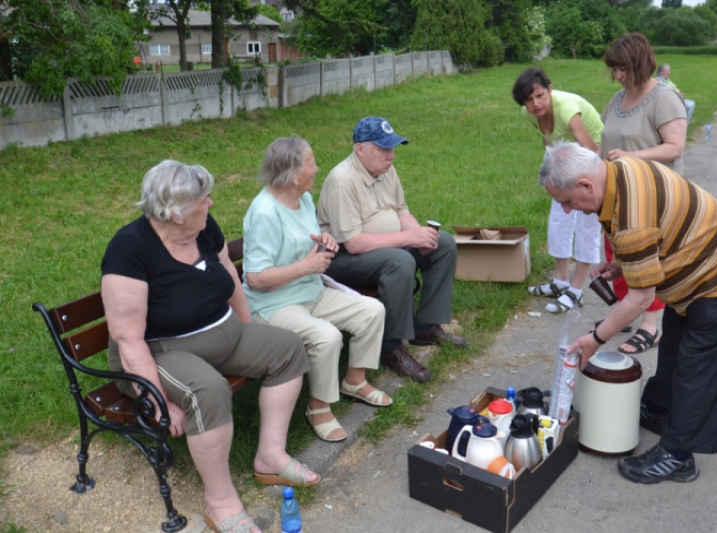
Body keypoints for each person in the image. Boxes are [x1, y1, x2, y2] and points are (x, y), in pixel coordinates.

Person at [101, 160, 320, 533]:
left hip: (222, 335)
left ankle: (270, 455)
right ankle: (219, 502)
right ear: (177, 212)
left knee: (286, 347)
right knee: (208, 390)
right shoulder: (130, 249)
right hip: (159, 352)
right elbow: (127, 338)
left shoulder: (202, 228)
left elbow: (229, 276)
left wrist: (250, 332)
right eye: (204, 199)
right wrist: (156, 399)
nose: (211, 203)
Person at [538, 141, 717, 485]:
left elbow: (640, 299)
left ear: (586, 184)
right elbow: (657, 226)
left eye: (568, 201)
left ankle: (678, 455)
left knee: (699, 363)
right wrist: (622, 263)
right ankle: (659, 410)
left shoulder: (631, 218)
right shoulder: (621, 170)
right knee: (674, 343)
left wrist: (596, 338)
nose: (570, 210)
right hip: (699, 262)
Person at [242, 137, 392, 444]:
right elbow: (255, 278)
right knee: (326, 336)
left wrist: (325, 240)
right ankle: (318, 406)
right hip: (274, 305)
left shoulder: (303, 198)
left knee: (372, 310)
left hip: (310, 291)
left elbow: (307, 237)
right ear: (295, 176)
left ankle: (354, 381)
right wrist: (305, 267)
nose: (317, 168)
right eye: (312, 164)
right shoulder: (265, 214)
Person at [317, 116, 467, 382]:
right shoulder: (343, 181)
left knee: (442, 243)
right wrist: (409, 237)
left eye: (393, 148)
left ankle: (425, 326)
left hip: (380, 249)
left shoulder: (385, 170)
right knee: (400, 262)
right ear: (360, 149)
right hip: (342, 259)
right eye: (384, 149)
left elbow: (400, 210)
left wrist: (421, 235)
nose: (392, 156)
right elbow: (354, 242)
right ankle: (390, 347)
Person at [599, 33, 688, 355]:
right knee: (619, 257)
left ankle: (650, 328)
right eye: (614, 69)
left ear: (638, 63)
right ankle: (625, 312)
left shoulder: (664, 97)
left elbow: (675, 146)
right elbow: (605, 141)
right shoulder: (618, 98)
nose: (617, 75)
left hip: (650, 195)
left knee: (646, 262)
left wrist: (633, 158)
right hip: (618, 195)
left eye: (622, 68)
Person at [512, 66, 604, 314]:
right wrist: (552, 178)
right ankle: (560, 281)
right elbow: (548, 140)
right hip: (566, 163)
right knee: (558, 222)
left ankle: (576, 290)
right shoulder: (528, 114)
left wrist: (578, 189)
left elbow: (592, 151)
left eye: (540, 96)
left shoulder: (567, 110)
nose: (535, 104)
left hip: (593, 164)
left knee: (587, 227)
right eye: (529, 100)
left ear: (550, 90)